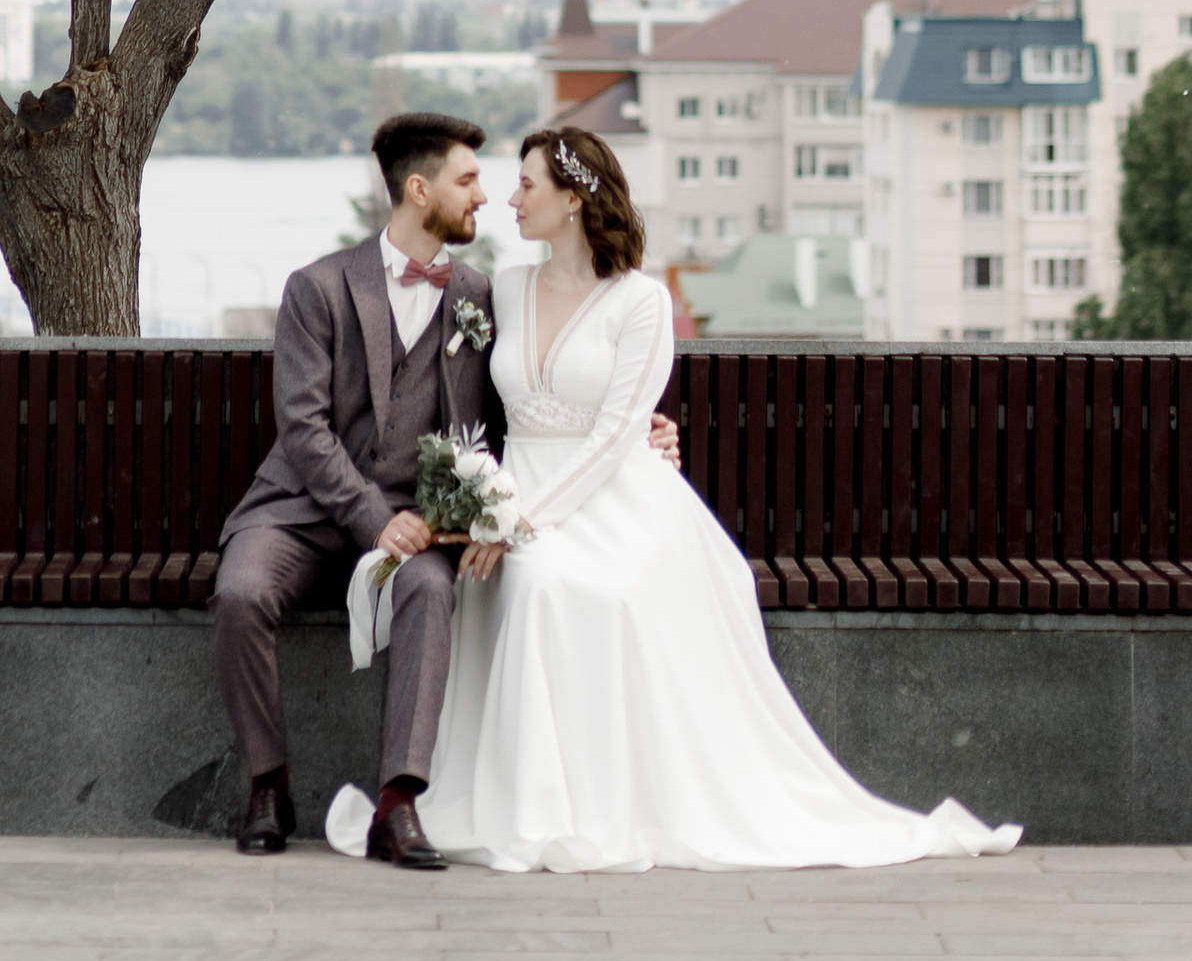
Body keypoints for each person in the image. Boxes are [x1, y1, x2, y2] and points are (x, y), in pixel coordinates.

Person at [398, 123, 1021, 876]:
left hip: (614, 498)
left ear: (571, 199)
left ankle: (577, 807)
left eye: (527, 184)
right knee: (527, 581)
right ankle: (527, 802)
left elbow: (617, 431)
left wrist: (518, 521)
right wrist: (480, 503)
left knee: (557, 584)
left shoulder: (641, 303)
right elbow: (469, 395)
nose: (511, 198)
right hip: (518, 482)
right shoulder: (504, 288)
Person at [211, 108, 674, 868]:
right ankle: (268, 783)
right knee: (239, 594)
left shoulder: (482, 294)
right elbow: (303, 428)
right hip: (299, 512)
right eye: (469, 180)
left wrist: (645, 427)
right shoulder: (317, 288)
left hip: (423, 521)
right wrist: (371, 517)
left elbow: (534, 386)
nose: (486, 198)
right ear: (420, 190)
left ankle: (399, 806)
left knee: (432, 593)